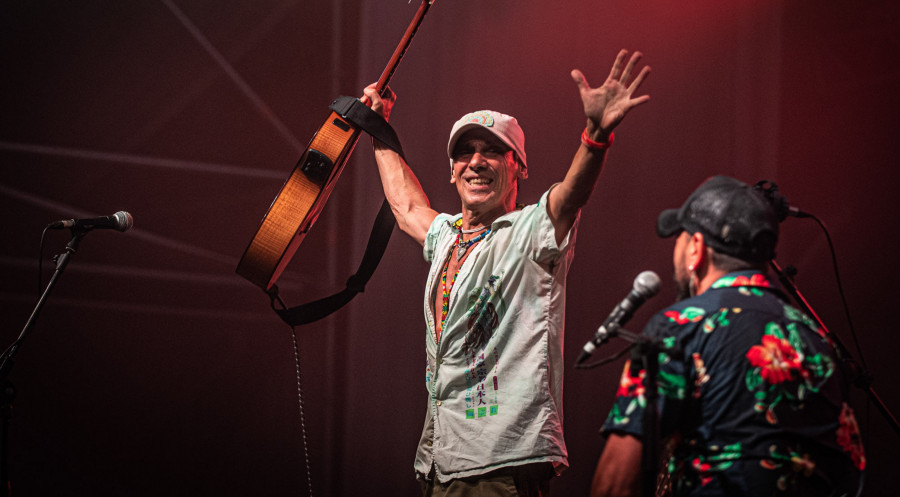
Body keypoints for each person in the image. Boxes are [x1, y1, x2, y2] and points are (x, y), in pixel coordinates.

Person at [359, 49, 651, 495]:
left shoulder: (530, 231)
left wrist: (594, 136)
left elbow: (570, 195)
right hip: (442, 460)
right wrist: (379, 127)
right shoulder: (448, 236)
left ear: (520, 166)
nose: (476, 162)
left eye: (493, 151)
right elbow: (407, 206)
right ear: (453, 171)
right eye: (465, 153)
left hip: (502, 463)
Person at [591, 175, 866, 497]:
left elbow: (616, 483)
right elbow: (850, 467)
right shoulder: (815, 339)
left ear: (696, 249)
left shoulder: (680, 326)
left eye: (680, 239)